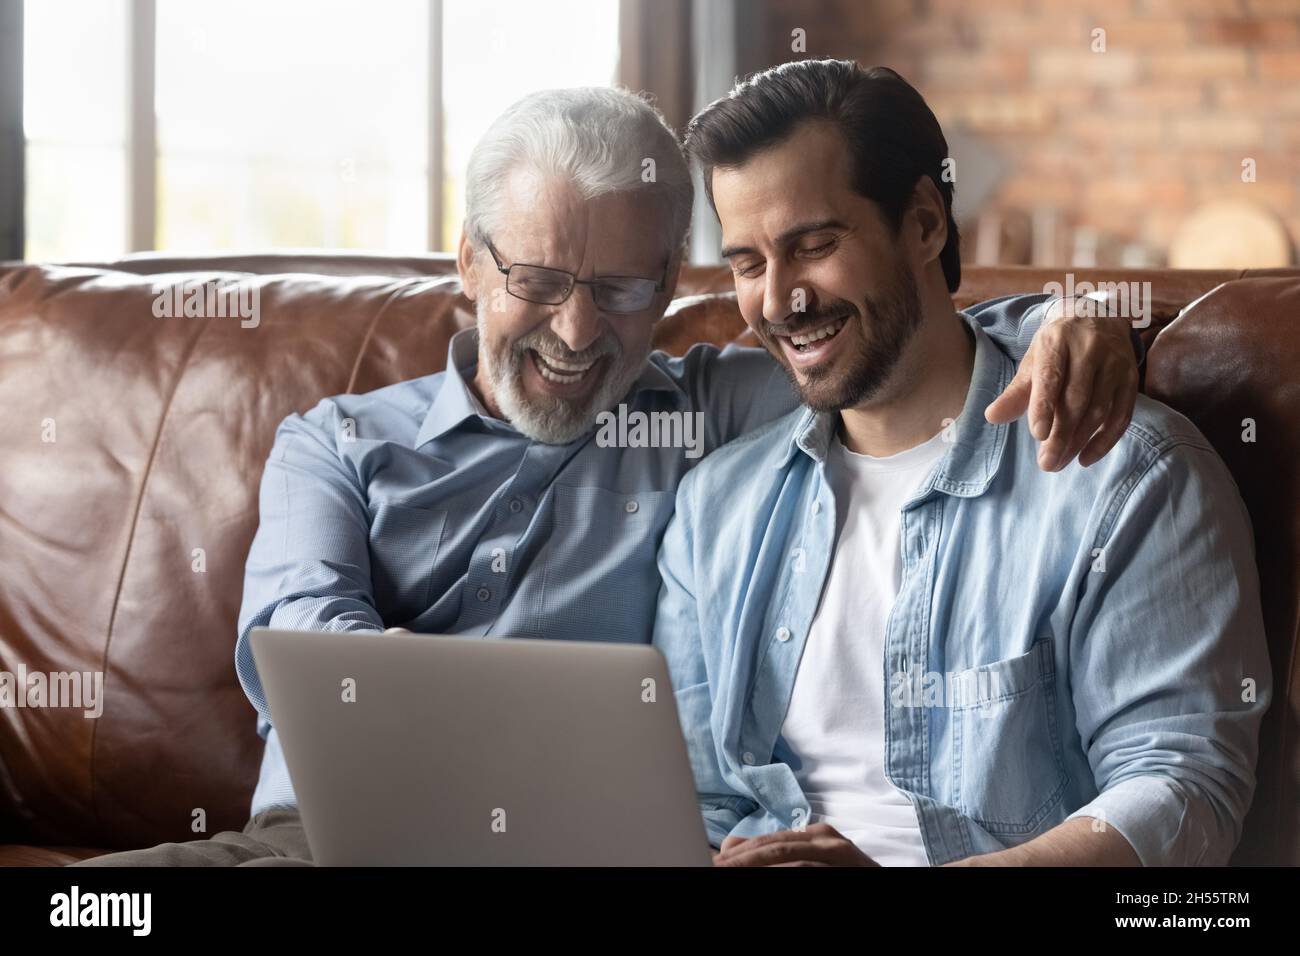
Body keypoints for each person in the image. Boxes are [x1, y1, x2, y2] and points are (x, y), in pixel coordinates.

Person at [75, 84, 1140, 867]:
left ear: (674, 281)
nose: (578, 332)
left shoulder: (717, 408)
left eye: (623, 286)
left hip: (581, 850)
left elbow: (899, 348)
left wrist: (1068, 319)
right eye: (536, 280)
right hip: (328, 843)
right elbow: (302, 652)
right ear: (467, 262)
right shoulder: (338, 445)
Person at [651, 59, 1270, 867]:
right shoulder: (713, 513)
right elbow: (695, 804)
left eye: (814, 245)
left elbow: (1183, 788)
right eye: (746, 263)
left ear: (924, 224)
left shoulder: (1126, 474)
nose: (778, 300)